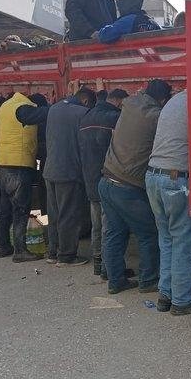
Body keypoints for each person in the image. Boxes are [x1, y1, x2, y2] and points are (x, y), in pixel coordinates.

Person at [98, 79, 172, 294]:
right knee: (149, 233)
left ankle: (115, 281)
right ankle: (148, 280)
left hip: (106, 180)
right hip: (128, 188)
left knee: (114, 233)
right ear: (163, 99)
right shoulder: (155, 117)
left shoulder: (129, 104)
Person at [145, 87, 191, 315]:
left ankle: (165, 296)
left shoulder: (175, 101)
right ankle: (183, 302)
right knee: (186, 240)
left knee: (167, 239)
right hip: (177, 181)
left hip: (154, 177)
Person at [43, 86, 96, 266]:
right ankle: (67, 256)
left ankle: (53, 252)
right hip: (69, 172)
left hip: (50, 170)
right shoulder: (82, 113)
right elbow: (86, 145)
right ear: (86, 100)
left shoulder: (54, 109)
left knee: (55, 214)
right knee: (69, 215)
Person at [79, 87, 128, 275]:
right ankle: (110, 269)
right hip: (108, 179)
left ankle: (98, 264)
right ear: (118, 101)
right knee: (111, 226)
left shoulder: (86, 117)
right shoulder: (113, 118)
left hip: (89, 178)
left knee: (97, 225)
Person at [0, 92, 42, 262]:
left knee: (5, 209)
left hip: (3, 165)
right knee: (21, 210)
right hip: (19, 166)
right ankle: (20, 251)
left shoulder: (6, 106)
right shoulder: (22, 109)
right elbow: (43, 114)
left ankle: (3, 247)